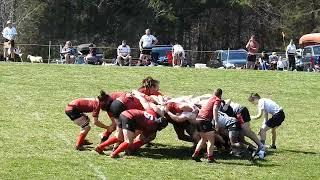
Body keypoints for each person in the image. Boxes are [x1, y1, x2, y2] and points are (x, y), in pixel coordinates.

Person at [192, 88, 222, 163]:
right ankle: (210, 158)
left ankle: (195, 155)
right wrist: (216, 122)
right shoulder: (217, 99)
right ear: (220, 95)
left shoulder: (209, 99)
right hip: (205, 120)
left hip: (198, 119)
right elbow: (215, 109)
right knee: (211, 140)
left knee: (203, 139)